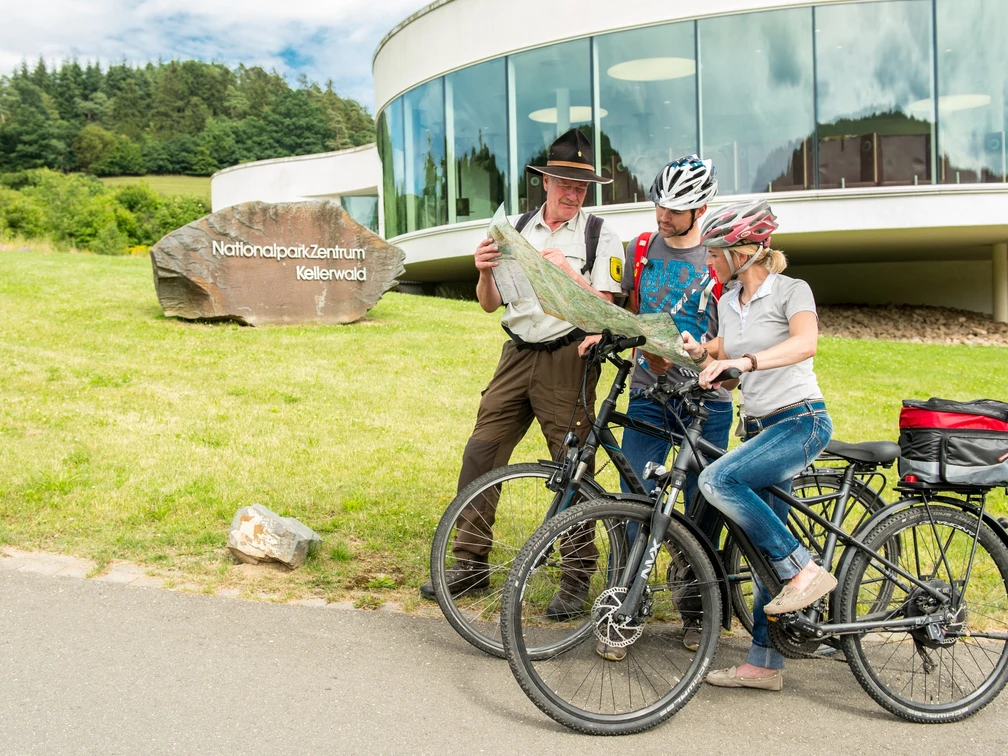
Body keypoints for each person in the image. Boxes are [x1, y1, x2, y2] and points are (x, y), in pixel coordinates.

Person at [420, 128, 625, 615]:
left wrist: (566, 275)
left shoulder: (601, 235)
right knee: (481, 451)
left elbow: (606, 310)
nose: (573, 194)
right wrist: (483, 269)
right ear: (546, 181)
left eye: (581, 187)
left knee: (572, 466)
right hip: (516, 354)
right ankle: (470, 564)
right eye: (565, 184)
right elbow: (490, 305)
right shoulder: (514, 228)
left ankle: (575, 578)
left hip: (568, 357)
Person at [678, 198, 835, 691]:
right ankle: (765, 662)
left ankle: (803, 569)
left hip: (800, 421)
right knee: (757, 543)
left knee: (716, 478)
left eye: (716, 251)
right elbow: (727, 357)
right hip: (759, 427)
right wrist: (701, 355)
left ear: (746, 250)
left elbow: (805, 343)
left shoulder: (793, 290)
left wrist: (743, 364)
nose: (709, 260)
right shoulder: (728, 303)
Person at [593, 155, 731, 661]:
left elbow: (737, 327)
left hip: (706, 401)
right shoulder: (641, 248)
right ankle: (624, 612)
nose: (663, 216)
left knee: (699, 511)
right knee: (635, 502)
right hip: (649, 393)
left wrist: (711, 351)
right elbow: (626, 304)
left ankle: (698, 613)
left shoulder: (720, 253)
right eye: (659, 205)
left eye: (676, 209)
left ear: (701, 207)